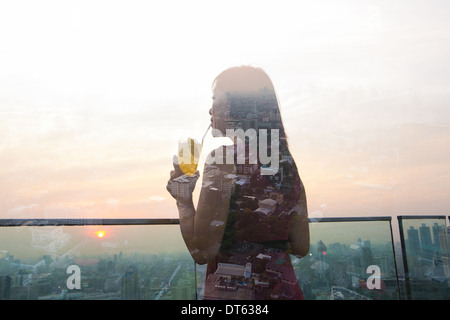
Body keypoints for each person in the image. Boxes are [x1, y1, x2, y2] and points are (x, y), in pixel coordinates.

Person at [167, 66, 309, 300]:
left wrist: (182, 199)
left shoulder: (222, 159)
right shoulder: (286, 165)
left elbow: (202, 252)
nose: (210, 109)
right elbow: (301, 247)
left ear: (237, 107)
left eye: (216, 99)